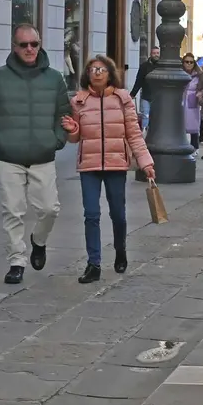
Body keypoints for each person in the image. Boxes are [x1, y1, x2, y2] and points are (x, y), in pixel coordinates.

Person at [0, 24, 71, 285]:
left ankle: (38, 241)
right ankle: (16, 261)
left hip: (43, 154)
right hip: (9, 157)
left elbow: (64, 114)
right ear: (14, 47)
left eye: (34, 44)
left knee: (50, 209)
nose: (29, 49)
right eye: (23, 44)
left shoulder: (54, 78)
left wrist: (56, 140)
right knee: (13, 212)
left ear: (40, 45)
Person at [60, 56, 156, 283]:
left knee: (118, 214)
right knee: (91, 214)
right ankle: (93, 264)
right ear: (88, 73)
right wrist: (72, 129)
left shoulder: (123, 100)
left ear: (110, 73)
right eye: (93, 69)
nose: (97, 72)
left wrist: (146, 163)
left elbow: (133, 134)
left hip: (116, 164)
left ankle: (120, 250)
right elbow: (75, 138)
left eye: (102, 69)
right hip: (89, 166)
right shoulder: (79, 101)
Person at [130, 46, 159, 129]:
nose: (156, 55)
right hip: (146, 96)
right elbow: (139, 81)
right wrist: (133, 93)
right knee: (145, 115)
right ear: (151, 54)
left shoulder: (162, 66)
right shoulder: (144, 66)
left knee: (156, 116)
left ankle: (153, 134)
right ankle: (144, 135)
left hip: (158, 97)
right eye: (154, 53)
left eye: (157, 53)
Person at [181, 52, 202, 155]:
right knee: (181, 122)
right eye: (186, 62)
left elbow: (202, 86)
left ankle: (195, 146)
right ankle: (183, 144)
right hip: (181, 100)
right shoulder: (179, 73)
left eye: (191, 62)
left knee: (193, 123)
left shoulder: (198, 74)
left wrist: (199, 93)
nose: (189, 64)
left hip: (193, 99)